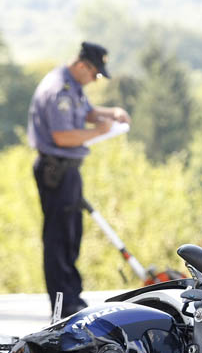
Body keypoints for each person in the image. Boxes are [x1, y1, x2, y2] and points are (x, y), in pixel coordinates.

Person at [27, 42, 130, 318]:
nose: (95, 80)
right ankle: (63, 303)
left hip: (68, 169)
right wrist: (98, 131)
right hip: (56, 170)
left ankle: (72, 296)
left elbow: (85, 111)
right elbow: (63, 136)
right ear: (82, 65)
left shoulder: (72, 86)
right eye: (95, 74)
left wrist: (110, 114)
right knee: (59, 239)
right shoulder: (59, 88)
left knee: (72, 235)